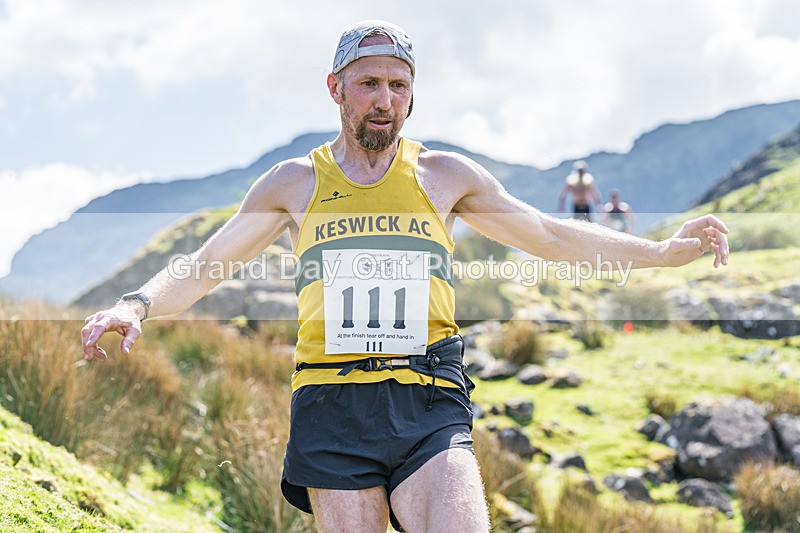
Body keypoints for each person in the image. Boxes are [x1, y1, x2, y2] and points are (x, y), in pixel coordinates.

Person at [81, 20, 730, 533]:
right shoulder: (293, 184)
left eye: (398, 84)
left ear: (413, 92)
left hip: (428, 396)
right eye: (368, 83)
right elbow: (205, 265)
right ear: (336, 88)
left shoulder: (445, 177)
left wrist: (661, 252)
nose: (384, 100)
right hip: (331, 405)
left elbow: (552, 234)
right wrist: (137, 305)